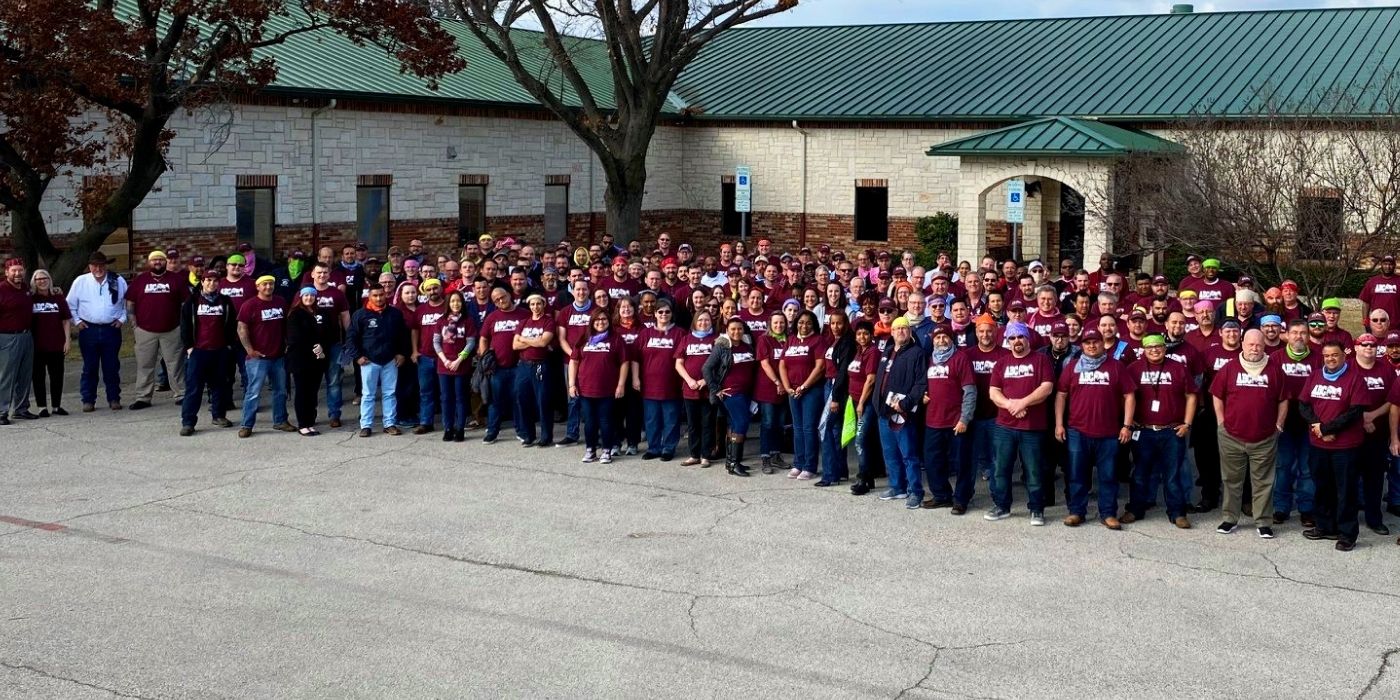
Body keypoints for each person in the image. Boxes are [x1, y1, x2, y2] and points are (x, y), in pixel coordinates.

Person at [1211, 329, 1288, 538]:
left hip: (1264, 438)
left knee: (1263, 481)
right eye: (1251, 344)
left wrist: (1279, 425)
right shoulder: (1229, 368)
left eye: (1259, 345)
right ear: (1243, 344)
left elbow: (1283, 400)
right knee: (1231, 479)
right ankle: (1229, 519)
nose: (1254, 348)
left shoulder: (1275, 370)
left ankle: (1263, 522)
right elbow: (1217, 395)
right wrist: (1221, 422)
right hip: (1231, 436)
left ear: (1265, 346)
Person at [1056, 329, 1134, 529]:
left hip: (1109, 432)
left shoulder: (1116, 367)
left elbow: (1129, 396)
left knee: (1108, 476)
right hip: (1077, 431)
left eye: (1096, 342)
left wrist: (1127, 425)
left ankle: (1108, 513)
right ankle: (1076, 512)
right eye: (1087, 342)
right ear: (1082, 345)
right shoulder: (1072, 367)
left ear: (1103, 343)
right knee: (1076, 474)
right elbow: (1061, 394)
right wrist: (1058, 423)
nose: (1092, 346)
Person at [1124, 334, 1198, 528]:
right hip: (1144, 431)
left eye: (1158, 347)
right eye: (1150, 348)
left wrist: (1187, 424)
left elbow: (1191, 396)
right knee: (1140, 473)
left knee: (1172, 475)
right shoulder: (1133, 369)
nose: (1155, 350)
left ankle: (1177, 513)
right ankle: (1134, 510)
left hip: (1171, 431)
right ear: (1143, 350)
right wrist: (1129, 423)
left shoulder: (1178, 368)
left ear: (1165, 348)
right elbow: (1126, 397)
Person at [1300, 341, 1368, 551]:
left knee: (1346, 491)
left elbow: (1355, 411)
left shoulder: (1355, 378)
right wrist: (1317, 427)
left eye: (1335, 355)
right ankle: (1324, 526)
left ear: (1343, 356)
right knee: (1322, 487)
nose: (1330, 359)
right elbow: (1303, 404)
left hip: (1345, 447)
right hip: (1318, 445)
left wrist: (1328, 429)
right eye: (1327, 355)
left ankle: (1347, 534)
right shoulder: (1315, 376)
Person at [986, 322, 1055, 525]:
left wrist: (1023, 402)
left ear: (1028, 339)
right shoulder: (1002, 363)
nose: (1017, 341)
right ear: (1008, 341)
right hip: (1004, 426)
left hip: (1033, 427)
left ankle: (1036, 509)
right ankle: (1002, 506)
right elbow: (993, 392)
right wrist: (1010, 405)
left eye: (1020, 337)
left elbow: (1047, 387)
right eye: (1012, 338)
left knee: (1034, 470)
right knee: (1000, 468)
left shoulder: (1041, 360)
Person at [123, 249, 189, 410]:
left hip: (172, 330)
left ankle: (181, 394)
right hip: (145, 330)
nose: (157, 262)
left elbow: (185, 304)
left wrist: (182, 324)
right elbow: (130, 302)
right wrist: (133, 322)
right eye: (154, 260)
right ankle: (143, 397)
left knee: (175, 365)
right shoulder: (140, 280)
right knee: (145, 365)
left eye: (160, 259)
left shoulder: (177, 280)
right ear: (149, 262)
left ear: (165, 262)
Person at [921, 324, 976, 510]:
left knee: (962, 463)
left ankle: (961, 499)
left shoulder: (960, 358)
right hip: (933, 421)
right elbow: (921, 385)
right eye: (937, 338)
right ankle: (941, 495)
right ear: (933, 341)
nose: (941, 340)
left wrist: (964, 419)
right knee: (932, 461)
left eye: (945, 337)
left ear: (951, 339)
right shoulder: (929, 360)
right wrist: (922, 394)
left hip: (956, 422)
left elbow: (969, 391)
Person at [1271, 319, 1320, 527]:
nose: (1299, 336)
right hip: (1284, 423)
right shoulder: (1275, 358)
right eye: (1295, 333)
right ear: (1287, 335)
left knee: (1307, 469)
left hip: (1309, 423)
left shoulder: (1318, 359)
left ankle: (1306, 508)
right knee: (1283, 467)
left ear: (1308, 336)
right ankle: (1281, 507)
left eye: (1303, 333)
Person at [873, 316, 927, 503]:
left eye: (905, 328)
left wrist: (906, 403)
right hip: (883, 411)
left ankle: (915, 492)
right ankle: (897, 487)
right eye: (897, 329)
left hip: (903, 413)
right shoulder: (887, 351)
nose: (901, 331)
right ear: (892, 332)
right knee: (890, 453)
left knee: (909, 455)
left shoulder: (917, 353)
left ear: (910, 332)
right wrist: (875, 402)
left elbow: (920, 383)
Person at [67, 251, 128, 411]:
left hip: (111, 329)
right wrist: (77, 321)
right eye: (95, 265)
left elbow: (127, 302)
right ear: (90, 267)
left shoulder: (117, 280)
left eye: (101, 265)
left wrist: (122, 319)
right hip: (89, 330)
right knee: (89, 367)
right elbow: (70, 304)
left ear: (106, 265)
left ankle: (114, 398)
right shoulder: (81, 281)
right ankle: (88, 400)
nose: (98, 268)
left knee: (112, 366)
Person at [178, 269, 235, 435]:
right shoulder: (193, 301)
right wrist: (189, 347)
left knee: (219, 386)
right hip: (199, 351)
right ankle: (188, 422)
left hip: (220, 350)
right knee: (194, 388)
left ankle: (218, 415)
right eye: (208, 280)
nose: (212, 283)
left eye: (215, 281)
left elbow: (232, 324)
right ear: (202, 282)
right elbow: (185, 326)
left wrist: (229, 345)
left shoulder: (225, 301)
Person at [235, 275, 294, 437]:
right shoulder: (250, 305)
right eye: (264, 284)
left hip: (279, 356)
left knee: (281, 391)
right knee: (253, 392)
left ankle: (280, 420)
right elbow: (241, 328)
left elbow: (287, 325)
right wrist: (249, 350)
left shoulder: (281, 302)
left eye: (271, 284)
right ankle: (247, 425)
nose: (268, 287)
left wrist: (288, 344)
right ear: (258, 286)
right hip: (258, 358)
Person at [349, 285, 410, 438]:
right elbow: (351, 338)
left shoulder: (395, 313)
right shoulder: (360, 315)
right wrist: (357, 356)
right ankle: (366, 425)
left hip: (390, 360)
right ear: (369, 297)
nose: (378, 298)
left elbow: (403, 336)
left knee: (389, 393)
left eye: (381, 295)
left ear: (385, 295)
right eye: (375, 295)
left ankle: (389, 423)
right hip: (369, 361)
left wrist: (402, 354)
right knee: (368, 394)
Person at [569, 309, 629, 464]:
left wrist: (621, 384)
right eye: (597, 320)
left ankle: (607, 450)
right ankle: (590, 450)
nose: (601, 322)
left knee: (606, 421)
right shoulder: (584, 338)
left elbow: (624, 363)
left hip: (607, 389)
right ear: (592, 321)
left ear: (609, 321)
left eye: (604, 319)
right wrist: (571, 384)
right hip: (586, 388)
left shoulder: (616, 339)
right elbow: (574, 361)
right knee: (589, 422)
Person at [704, 318, 758, 477]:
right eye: (733, 329)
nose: (736, 332)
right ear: (727, 330)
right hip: (732, 393)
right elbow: (706, 368)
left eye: (740, 329)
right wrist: (716, 389)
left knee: (734, 424)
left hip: (746, 393)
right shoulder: (722, 348)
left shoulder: (747, 347)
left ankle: (731, 461)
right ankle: (734, 462)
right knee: (741, 424)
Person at [1351, 333, 1393, 537]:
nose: (1369, 347)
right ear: (1356, 347)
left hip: (1377, 434)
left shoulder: (1386, 369)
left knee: (1375, 479)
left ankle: (1374, 518)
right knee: (1348, 479)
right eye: (1364, 344)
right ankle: (1348, 520)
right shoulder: (1347, 367)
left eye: (1373, 345)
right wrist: (1361, 419)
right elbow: (1340, 399)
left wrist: (1372, 416)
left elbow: (1393, 399)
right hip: (1350, 435)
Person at [478, 287, 529, 444]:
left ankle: (521, 431)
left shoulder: (524, 314)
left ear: (509, 295)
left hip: (519, 365)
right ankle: (493, 431)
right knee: (495, 401)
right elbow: (483, 338)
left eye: (502, 297)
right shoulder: (492, 317)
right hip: (497, 367)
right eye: (496, 300)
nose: (501, 301)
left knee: (519, 399)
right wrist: (485, 356)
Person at [635, 300, 684, 461]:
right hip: (649, 384)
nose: (664, 315)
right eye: (660, 312)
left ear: (672, 314)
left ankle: (668, 448)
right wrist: (635, 378)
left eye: (667, 312)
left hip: (672, 385)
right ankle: (654, 447)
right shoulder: (645, 334)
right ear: (655, 313)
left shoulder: (680, 333)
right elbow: (635, 358)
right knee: (651, 419)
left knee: (671, 418)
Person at [781, 310, 827, 481]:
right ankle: (798, 463)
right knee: (797, 428)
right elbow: (783, 365)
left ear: (813, 324)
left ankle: (810, 466)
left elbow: (820, 366)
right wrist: (787, 387)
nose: (804, 325)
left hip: (811, 390)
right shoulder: (791, 339)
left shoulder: (817, 340)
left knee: (808, 428)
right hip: (792, 390)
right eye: (801, 322)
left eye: (808, 322)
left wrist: (805, 386)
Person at [305, 262, 351, 429]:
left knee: (334, 381)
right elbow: (295, 315)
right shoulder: (305, 293)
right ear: (312, 274)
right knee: (312, 382)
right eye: (319, 272)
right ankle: (310, 415)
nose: (322, 275)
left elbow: (345, 316)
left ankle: (334, 415)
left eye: (325, 272)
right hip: (311, 345)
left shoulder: (337, 294)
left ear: (329, 274)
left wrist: (350, 338)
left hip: (333, 344)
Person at [286, 286, 336, 436]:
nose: (309, 298)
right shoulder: (295, 314)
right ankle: (303, 424)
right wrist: (314, 347)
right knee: (302, 392)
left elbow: (328, 333)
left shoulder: (319, 313)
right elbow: (295, 337)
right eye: (306, 295)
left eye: (312, 296)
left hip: (317, 359)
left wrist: (322, 348)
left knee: (312, 392)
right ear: (301, 297)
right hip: (301, 359)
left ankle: (310, 422)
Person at [433, 291, 478, 443]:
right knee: (446, 398)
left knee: (460, 398)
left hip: (461, 364)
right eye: (452, 301)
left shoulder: (468, 321)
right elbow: (436, 342)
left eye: (458, 301)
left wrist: (459, 360)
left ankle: (459, 428)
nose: (455, 304)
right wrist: (445, 360)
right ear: (448, 303)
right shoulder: (441, 321)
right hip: (444, 364)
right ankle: (448, 428)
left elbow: (471, 342)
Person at [512, 293, 556, 447]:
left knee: (542, 400)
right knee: (522, 399)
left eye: (538, 304)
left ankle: (546, 436)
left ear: (543, 305)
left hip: (539, 365)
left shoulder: (548, 321)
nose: (535, 307)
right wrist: (533, 342)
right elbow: (515, 345)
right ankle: (529, 435)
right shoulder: (523, 322)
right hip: (523, 365)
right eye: (532, 304)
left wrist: (524, 339)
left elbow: (543, 342)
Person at [676, 310, 718, 467]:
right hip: (690, 389)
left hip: (708, 389)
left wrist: (705, 381)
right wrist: (689, 380)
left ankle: (706, 455)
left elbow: (720, 365)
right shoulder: (686, 339)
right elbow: (678, 363)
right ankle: (694, 455)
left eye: (707, 320)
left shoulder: (716, 339)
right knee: (693, 424)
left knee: (708, 423)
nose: (703, 323)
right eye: (700, 320)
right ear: (695, 321)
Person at [819, 311, 856, 486]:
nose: (835, 327)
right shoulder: (833, 340)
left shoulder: (847, 342)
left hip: (836, 388)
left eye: (839, 323)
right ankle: (840, 471)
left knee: (824, 428)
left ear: (846, 323)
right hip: (828, 384)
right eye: (833, 323)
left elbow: (843, 372)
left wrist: (835, 397)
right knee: (835, 430)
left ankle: (829, 474)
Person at [846, 320, 882, 496]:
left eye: (865, 333)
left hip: (865, 403)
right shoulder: (859, 351)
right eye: (859, 334)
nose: (862, 337)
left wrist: (860, 402)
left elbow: (871, 379)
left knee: (860, 440)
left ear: (871, 335)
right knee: (864, 440)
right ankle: (869, 477)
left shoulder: (873, 352)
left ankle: (863, 479)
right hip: (854, 400)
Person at [28, 269, 70, 418]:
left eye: (44, 278)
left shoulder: (58, 297)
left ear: (49, 279)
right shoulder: (31, 299)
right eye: (38, 279)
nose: (42, 281)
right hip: (37, 345)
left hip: (56, 344)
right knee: (38, 377)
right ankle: (41, 407)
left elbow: (65, 320)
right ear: (34, 281)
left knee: (57, 376)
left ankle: (56, 406)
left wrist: (67, 340)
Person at [0, 258, 35, 425]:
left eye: (20, 270)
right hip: (7, 337)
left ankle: (21, 409)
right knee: (7, 376)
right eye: (13, 270)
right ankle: (2, 411)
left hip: (26, 336)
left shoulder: (25, 289)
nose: (17, 273)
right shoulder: (2, 290)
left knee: (25, 375)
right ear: (6, 272)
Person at [756, 311, 790, 474]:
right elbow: (765, 364)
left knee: (779, 424)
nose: (779, 326)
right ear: (770, 324)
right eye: (776, 323)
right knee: (768, 424)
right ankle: (765, 457)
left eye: (782, 323)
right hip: (768, 388)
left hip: (785, 389)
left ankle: (776, 455)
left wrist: (785, 385)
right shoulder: (764, 339)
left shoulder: (789, 340)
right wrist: (777, 382)